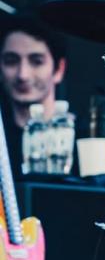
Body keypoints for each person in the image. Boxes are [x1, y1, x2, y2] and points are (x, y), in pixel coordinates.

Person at [0, 14, 67, 176]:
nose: (23, 75)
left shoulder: (83, 140)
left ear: (59, 69)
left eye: (36, 61)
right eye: (11, 61)